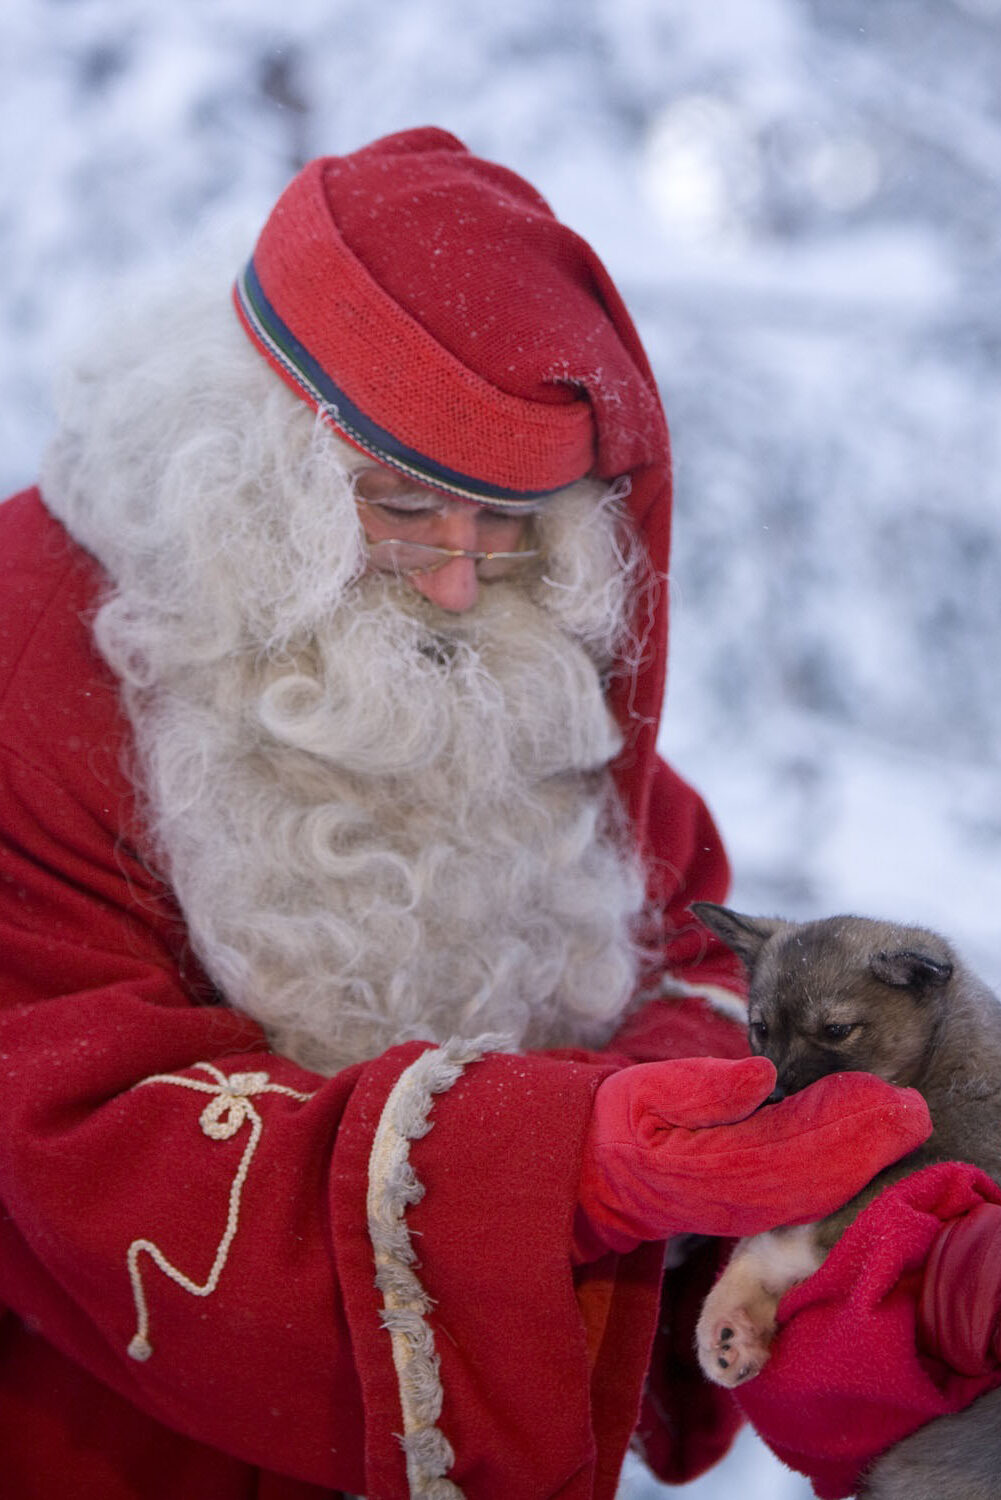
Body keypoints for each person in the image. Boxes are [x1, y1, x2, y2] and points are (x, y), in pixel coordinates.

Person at [0, 127, 946, 1500]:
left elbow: (664, 911)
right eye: (402, 505)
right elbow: (61, 1109)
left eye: (508, 520)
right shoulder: (40, 640)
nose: (458, 578)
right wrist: (562, 1166)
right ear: (263, 458)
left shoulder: (502, 623)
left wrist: (707, 1118)